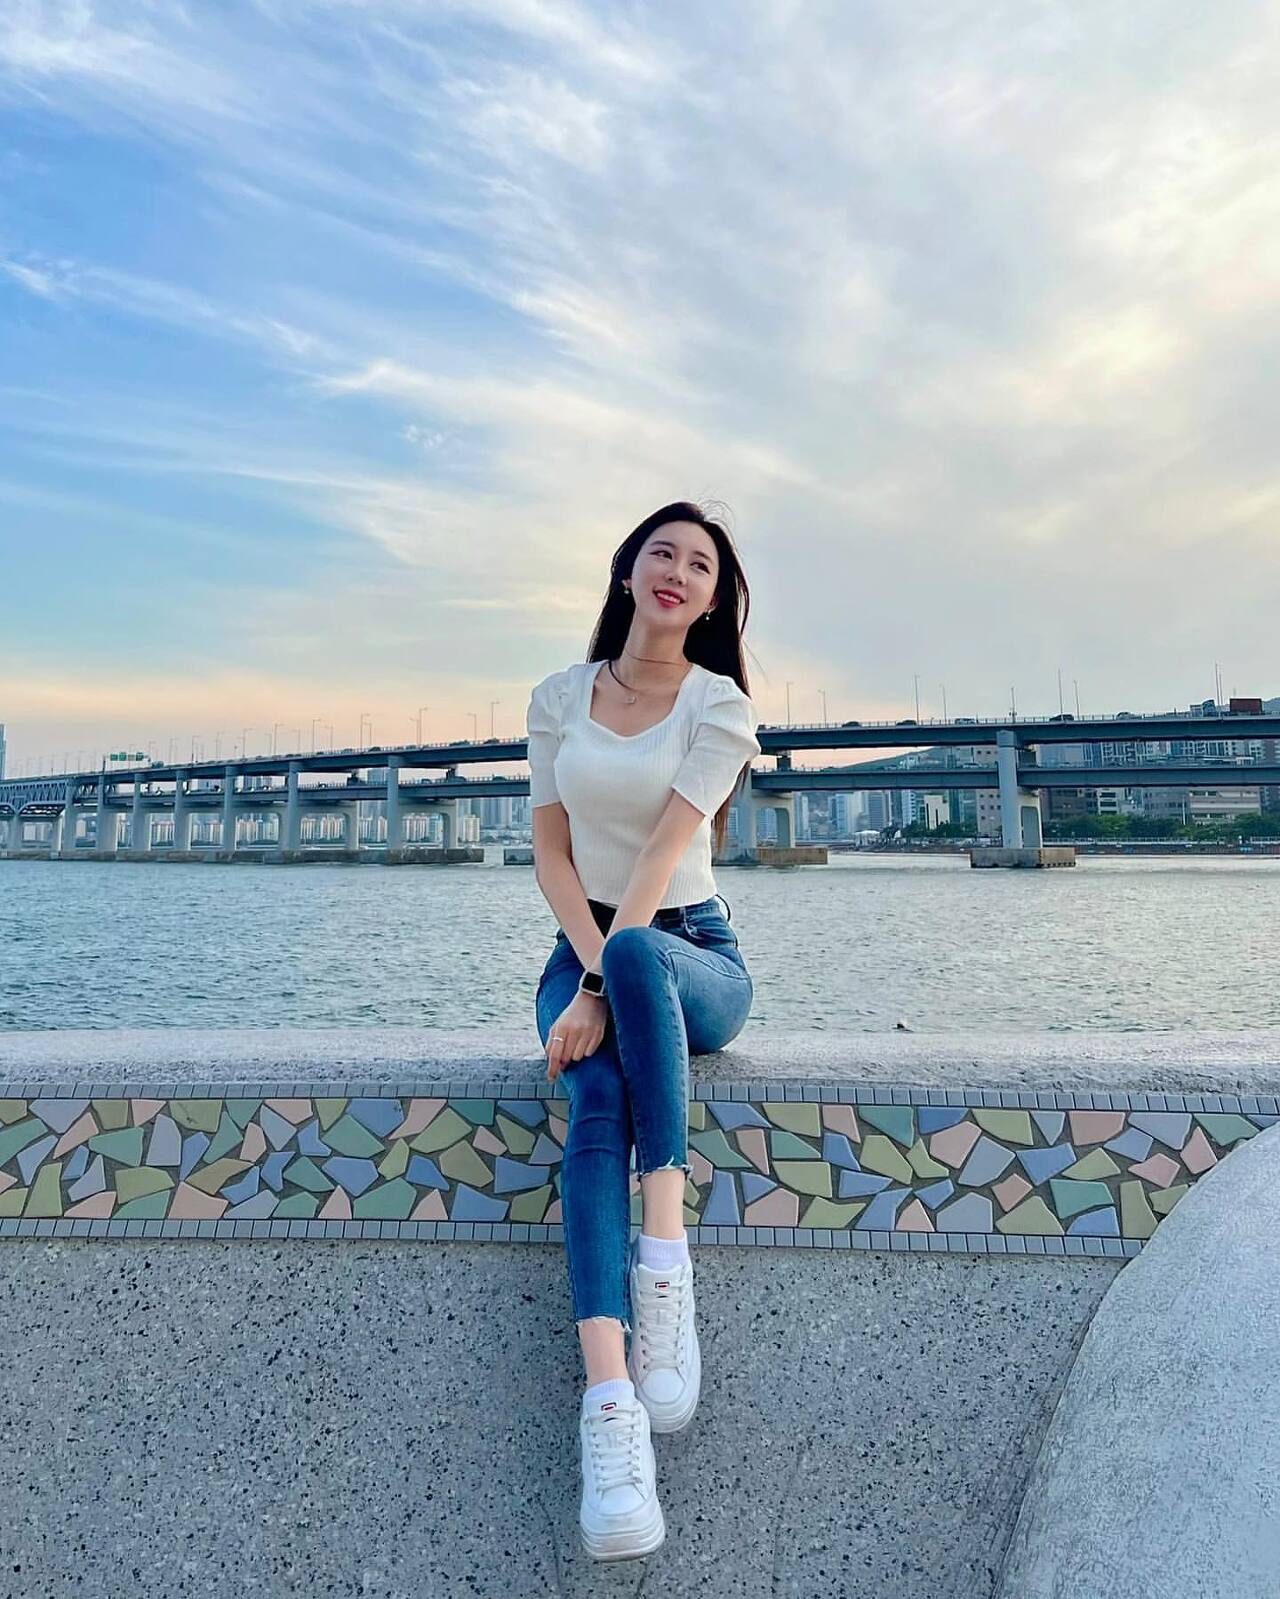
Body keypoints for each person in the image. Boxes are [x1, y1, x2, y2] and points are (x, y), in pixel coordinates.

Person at [526, 501, 762, 1562]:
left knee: (633, 956)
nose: (677, 571)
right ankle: (611, 1406)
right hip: (581, 947)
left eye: (699, 565)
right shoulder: (557, 698)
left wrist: (603, 979)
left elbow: (664, 853)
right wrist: (585, 975)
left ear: (710, 601)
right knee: (594, 1096)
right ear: (626, 572)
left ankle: (662, 1258)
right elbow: (551, 854)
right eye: (660, 552)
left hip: (691, 954)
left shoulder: (719, 705)